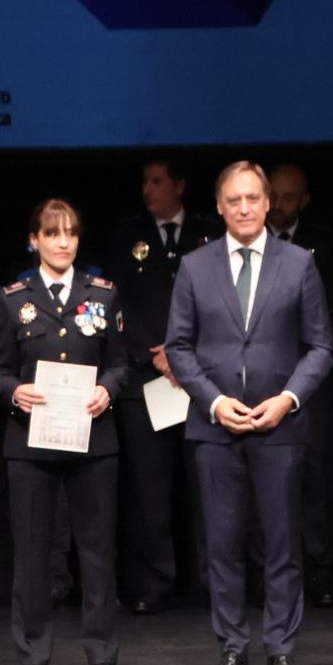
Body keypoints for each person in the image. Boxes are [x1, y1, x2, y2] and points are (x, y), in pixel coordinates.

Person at [165, 161, 333, 665]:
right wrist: (214, 402)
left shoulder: (299, 263)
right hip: (215, 427)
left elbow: (321, 346)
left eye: (253, 199)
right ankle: (232, 648)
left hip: (278, 425)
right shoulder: (194, 266)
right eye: (234, 200)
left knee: (282, 543)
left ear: (268, 204)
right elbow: (178, 347)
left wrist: (288, 399)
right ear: (219, 206)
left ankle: (280, 648)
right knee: (222, 544)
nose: (244, 208)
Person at [0, 199, 128, 665]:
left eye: (70, 233)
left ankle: (102, 656)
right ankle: (32, 655)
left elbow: (121, 364)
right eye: (52, 233)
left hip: (93, 440)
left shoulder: (103, 293)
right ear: (35, 240)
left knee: (97, 552)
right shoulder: (14, 298)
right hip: (32, 442)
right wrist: (15, 391)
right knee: (32, 554)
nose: (63, 242)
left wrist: (107, 388)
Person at [103, 159, 220, 612]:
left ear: (180, 184)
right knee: (149, 489)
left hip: (201, 379)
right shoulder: (125, 235)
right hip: (146, 377)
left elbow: (220, 302)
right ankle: (156, 581)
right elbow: (115, 303)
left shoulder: (209, 232)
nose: (148, 190)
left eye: (157, 181)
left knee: (207, 483)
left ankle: (212, 579)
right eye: (144, 182)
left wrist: (185, 353)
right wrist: (156, 352)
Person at [267, 162, 333, 606]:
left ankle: (320, 569)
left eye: (288, 197)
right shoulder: (251, 246)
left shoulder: (324, 243)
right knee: (265, 477)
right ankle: (268, 572)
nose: (279, 206)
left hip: (311, 378)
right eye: (274, 196)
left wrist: (304, 366)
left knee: (315, 475)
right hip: (261, 377)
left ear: (304, 201)